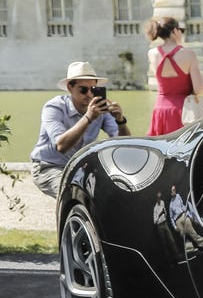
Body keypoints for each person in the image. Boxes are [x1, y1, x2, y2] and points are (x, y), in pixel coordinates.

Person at [29, 61, 132, 197]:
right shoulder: (54, 107)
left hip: (80, 167)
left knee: (117, 189)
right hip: (49, 166)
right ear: (70, 88)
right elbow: (61, 146)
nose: (89, 94)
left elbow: (122, 144)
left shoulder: (100, 109)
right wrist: (88, 118)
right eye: (83, 89)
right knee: (73, 193)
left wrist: (120, 121)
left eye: (93, 89)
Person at [146, 17, 203, 136]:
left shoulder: (152, 53)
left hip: (160, 109)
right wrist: (179, 44)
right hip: (184, 110)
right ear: (174, 31)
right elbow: (199, 89)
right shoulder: (189, 54)